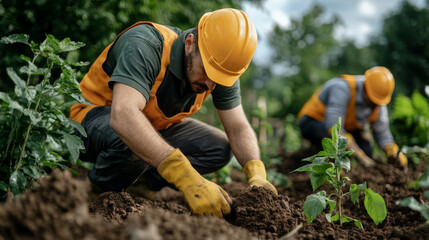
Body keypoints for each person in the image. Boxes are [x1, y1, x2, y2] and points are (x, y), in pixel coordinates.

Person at [69, 8, 277, 218]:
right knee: (132, 137)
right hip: (87, 123)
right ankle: (98, 195)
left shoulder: (220, 69)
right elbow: (123, 116)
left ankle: (138, 186)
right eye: (207, 72)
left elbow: (238, 127)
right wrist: (186, 177)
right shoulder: (146, 44)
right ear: (190, 44)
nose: (210, 84)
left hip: (150, 127)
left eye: (220, 79)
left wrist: (256, 173)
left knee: (218, 147)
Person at [297, 66, 408, 168]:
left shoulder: (378, 102)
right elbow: (333, 126)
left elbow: (382, 133)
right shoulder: (342, 88)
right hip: (313, 121)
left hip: (345, 129)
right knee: (330, 141)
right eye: (372, 101)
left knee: (367, 152)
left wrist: (392, 150)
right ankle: (315, 153)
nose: (374, 106)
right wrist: (357, 152)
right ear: (365, 88)